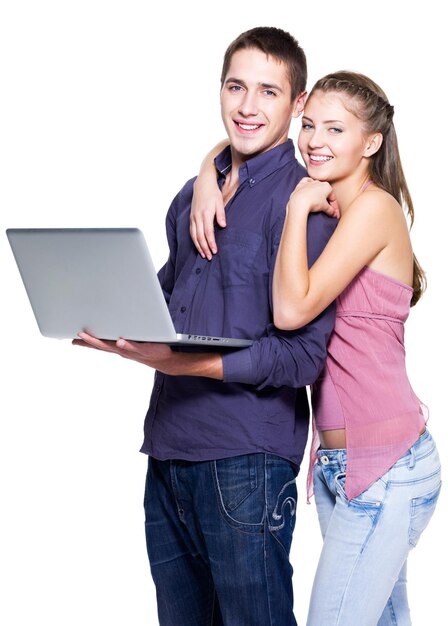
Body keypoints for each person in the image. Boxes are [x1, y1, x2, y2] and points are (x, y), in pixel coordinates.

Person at [73, 27, 336, 626]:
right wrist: (110, 318)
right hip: (168, 450)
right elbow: (170, 298)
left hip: (245, 460)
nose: (248, 106)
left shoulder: (306, 205)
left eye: (269, 92)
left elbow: (302, 357)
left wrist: (189, 362)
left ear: (297, 106)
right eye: (236, 86)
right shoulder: (194, 193)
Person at [190, 71, 441, 625]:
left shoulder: (373, 210)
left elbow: (290, 311)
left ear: (370, 142)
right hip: (336, 464)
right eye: (309, 125)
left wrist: (298, 209)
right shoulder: (329, 198)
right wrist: (210, 172)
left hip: (387, 464)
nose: (314, 141)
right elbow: (250, 145)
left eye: (335, 129)